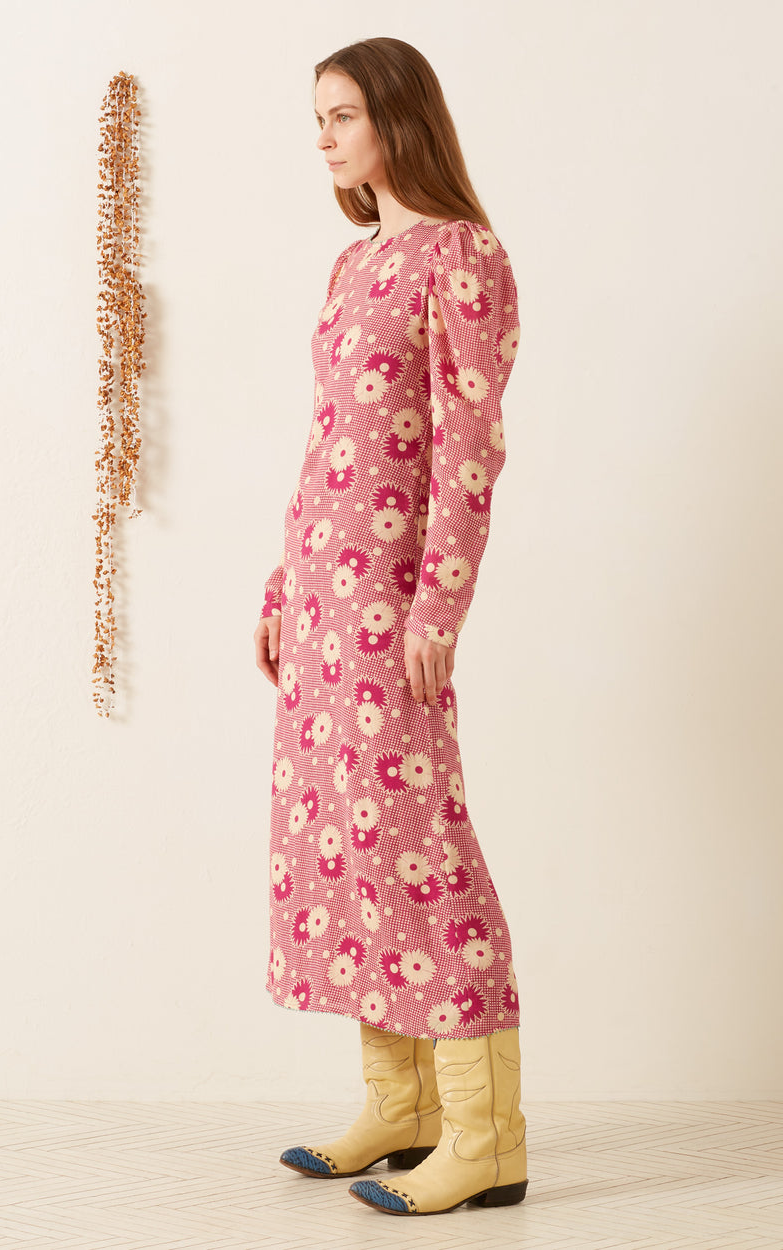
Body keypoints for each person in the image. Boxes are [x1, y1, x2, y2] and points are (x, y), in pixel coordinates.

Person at [252, 36, 527, 1217]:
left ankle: (484, 1133)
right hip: (321, 600)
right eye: (317, 116)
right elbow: (329, 440)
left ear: (397, 120)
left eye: (342, 113)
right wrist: (279, 582)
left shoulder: (462, 258)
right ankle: (400, 1104)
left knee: (423, 851)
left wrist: (438, 601)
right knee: (353, 850)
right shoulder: (352, 263)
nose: (322, 136)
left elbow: (470, 446)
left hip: (389, 606)